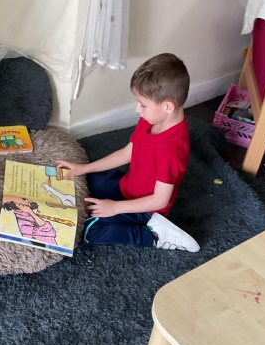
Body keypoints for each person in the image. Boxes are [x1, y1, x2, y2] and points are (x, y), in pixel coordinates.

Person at [57, 53, 199, 252]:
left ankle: (153, 235)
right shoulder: (151, 119)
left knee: (91, 231)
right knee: (85, 181)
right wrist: (84, 168)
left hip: (148, 208)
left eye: (143, 104)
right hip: (127, 186)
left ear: (168, 106)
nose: (137, 109)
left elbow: (160, 199)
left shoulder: (171, 148)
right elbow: (126, 153)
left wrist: (115, 208)